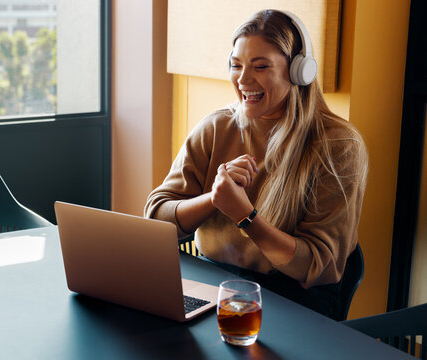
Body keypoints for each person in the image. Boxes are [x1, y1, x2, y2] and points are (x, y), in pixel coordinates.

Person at [144, 9, 368, 319]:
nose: (243, 79)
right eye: (236, 65)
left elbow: (319, 266)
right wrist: (214, 199)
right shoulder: (215, 128)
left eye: (260, 66)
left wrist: (245, 216)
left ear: (299, 71)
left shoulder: (338, 145)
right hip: (214, 280)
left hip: (294, 297)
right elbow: (156, 218)